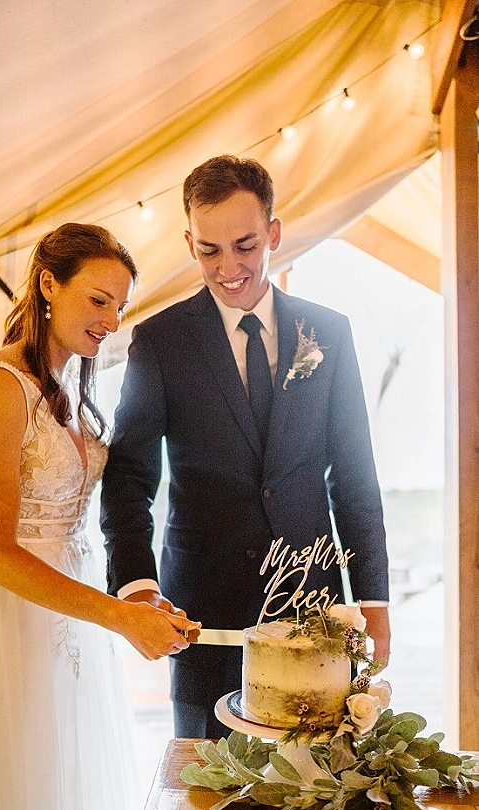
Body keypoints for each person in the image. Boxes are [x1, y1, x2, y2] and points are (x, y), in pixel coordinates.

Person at [0, 223, 199, 810]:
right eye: (97, 300)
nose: (111, 321)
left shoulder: (66, 390)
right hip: (3, 619)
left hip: (67, 622)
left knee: (59, 789)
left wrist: (135, 602)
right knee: (8, 792)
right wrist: (117, 617)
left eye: (120, 305)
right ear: (47, 285)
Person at [100, 155, 390, 740]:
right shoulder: (159, 342)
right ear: (189, 243)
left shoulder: (329, 334)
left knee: (314, 776)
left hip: (313, 604)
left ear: (273, 234)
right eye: (209, 250)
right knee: (207, 778)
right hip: (202, 613)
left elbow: (354, 477)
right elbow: (129, 478)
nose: (228, 268)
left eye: (245, 246)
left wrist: (374, 601)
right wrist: (137, 588)